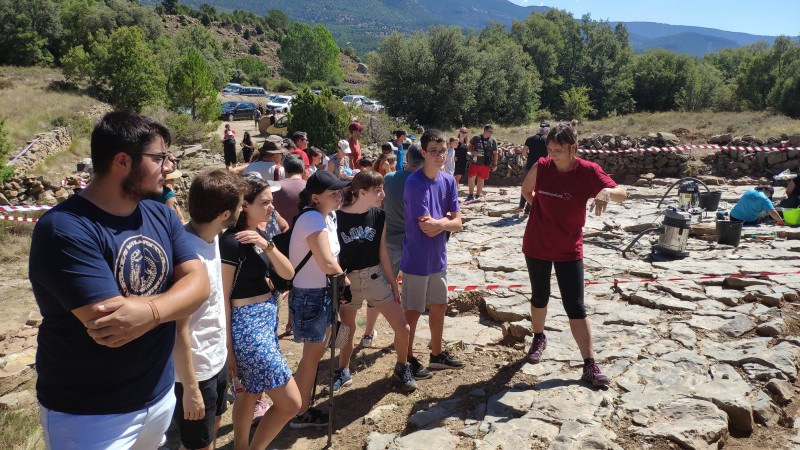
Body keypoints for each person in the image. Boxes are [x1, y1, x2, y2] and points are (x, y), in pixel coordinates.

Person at [29, 111, 210, 448]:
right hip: (90, 415)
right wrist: (173, 299)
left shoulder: (159, 214)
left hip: (157, 396)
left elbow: (200, 286)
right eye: (159, 158)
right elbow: (113, 326)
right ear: (123, 161)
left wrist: (149, 313)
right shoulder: (65, 229)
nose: (168, 167)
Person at [520, 121, 627, 387]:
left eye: (558, 150)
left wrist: (606, 191)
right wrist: (541, 211)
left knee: (575, 305)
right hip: (538, 243)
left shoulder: (588, 171)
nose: (552, 154)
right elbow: (526, 190)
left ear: (573, 148)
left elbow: (622, 193)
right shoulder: (541, 167)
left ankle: (590, 364)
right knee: (539, 296)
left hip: (569, 248)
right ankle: (539, 337)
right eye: (550, 149)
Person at [220, 175, 302, 449]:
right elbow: (223, 296)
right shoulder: (231, 242)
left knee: (249, 393)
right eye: (265, 202)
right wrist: (229, 348)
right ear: (244, 205)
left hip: (264, 323)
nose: (272, 207)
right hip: (248, 330)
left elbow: (288, 273)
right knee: (291, 403)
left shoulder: (259, 235)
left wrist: (266, 244)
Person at [173, 169, 247, 450]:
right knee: (198, 445)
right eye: (240, 204)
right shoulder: (188, 258)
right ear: (225, 213)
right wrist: (191, 389)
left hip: (214, 360)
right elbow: (179, 329)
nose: (243, 208)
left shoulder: (211, 236)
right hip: (195, 371)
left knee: (212, 429)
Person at [332, 171, 416, 393]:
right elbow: (335, 255)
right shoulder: (337, 218)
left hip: (375, 277)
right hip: (348, 280)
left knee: (403, 327)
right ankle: (343, 371)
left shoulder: (379, 216)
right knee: (347, 331)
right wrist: (340, 282)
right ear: (362, 192)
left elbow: (382, 252)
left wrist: (393, 282)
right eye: (378, 190)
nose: (383, 194)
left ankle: (402, 368)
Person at [288, 170, 351, 428]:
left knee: (315, 353)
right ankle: (299, 413)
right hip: (311, 296)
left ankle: (301, 406)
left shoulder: (327, 217)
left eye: (340, 192)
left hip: (321, 292)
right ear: (315, 197)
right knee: (312, 356)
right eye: (333, 193)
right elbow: (326, 262)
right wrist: (345, 283)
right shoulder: (313, 219)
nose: (339, 196)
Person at [401, 130, 464, 379]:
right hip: (416, 256)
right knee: (413, 312)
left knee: (439, 305)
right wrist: (445, 222)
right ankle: (406, 358)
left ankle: (436, 354)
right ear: (424, 153)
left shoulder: (448, 181)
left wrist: (442, 223)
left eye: (443, 150)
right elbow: (427, 228)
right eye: (434, 151)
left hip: (438, 256)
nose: (440, 155)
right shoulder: (414, 183)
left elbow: (458, 222)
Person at [514, 122, 550, 216]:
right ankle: (527, 211)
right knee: (535, 189)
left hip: (530, 166)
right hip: (542, 166)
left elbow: (524, 152)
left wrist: (529, 156)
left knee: (526, 186)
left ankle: (521, 206)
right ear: (547, 130)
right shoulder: (548, 140)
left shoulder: (530, 139)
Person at [466, 124, 498, 202]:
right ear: (485, 130)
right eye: (490, 132)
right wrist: (473, 152)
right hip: (475, 161)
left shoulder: (493, 141)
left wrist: (495, 165)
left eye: (492, 132)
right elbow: (469, 146)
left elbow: (495, 153)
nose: (491, 134)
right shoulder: (476, 138)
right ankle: (470, 195)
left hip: (485, 163)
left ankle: (478, 195)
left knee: (481, 179)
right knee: (471, 178)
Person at [274, 154, 307, 223]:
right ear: (303, 170)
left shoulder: (275, 187)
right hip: (305, 231)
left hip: (280, 232)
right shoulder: (310, 187)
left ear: (284, 170)